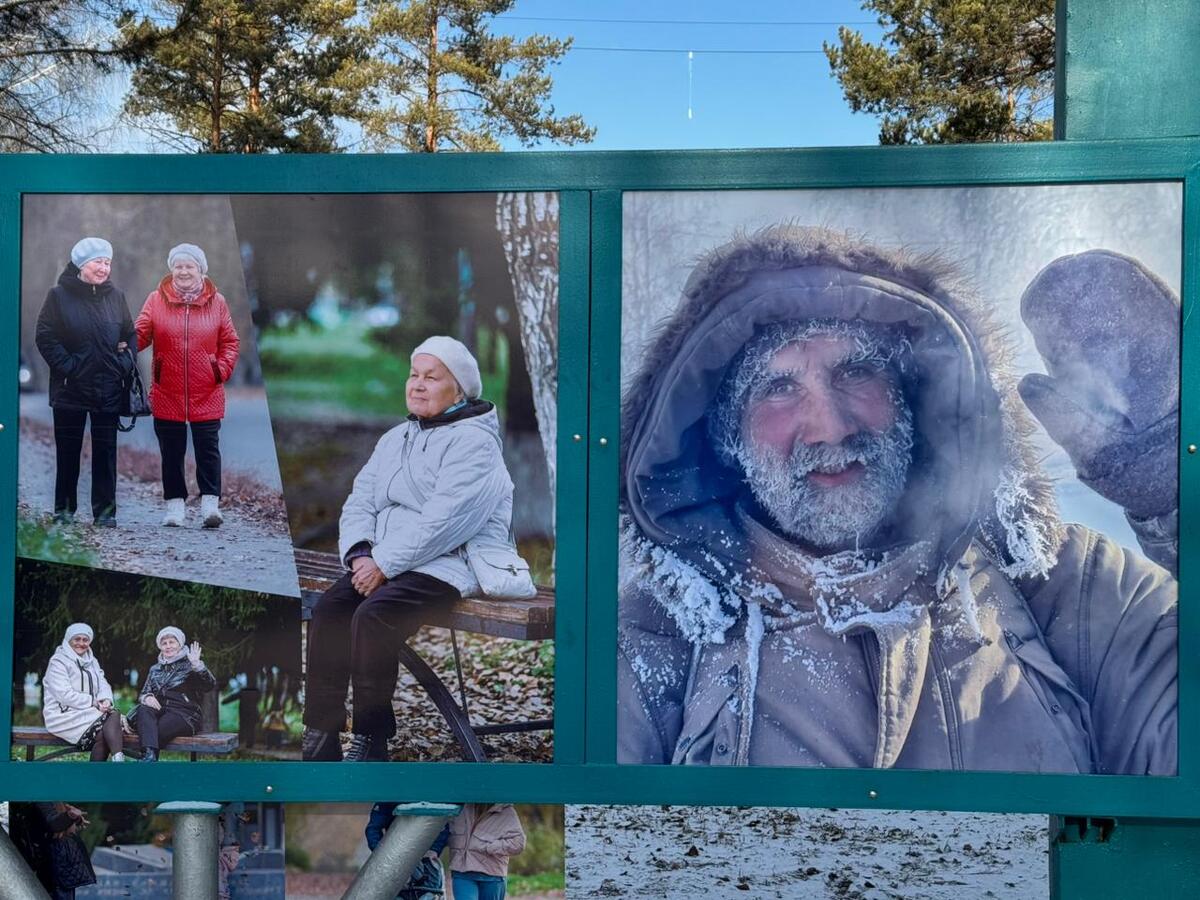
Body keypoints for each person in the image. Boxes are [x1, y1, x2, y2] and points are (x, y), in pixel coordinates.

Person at [617, 225, 1178, 774]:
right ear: (726, 435)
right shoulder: (650, 640)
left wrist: (1179, 493)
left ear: (910, 396)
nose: (831, 428)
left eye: (856, 371)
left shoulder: (1070, 590)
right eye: (779, 388)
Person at [303, 336, 523, 762]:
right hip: (389, 560)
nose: (418, 385)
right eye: (414, 375)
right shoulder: (395, 438)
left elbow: (444, 523)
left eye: (431, 377)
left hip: (449, 563)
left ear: (459, 391)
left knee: (374, 617)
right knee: (330, 610)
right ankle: (320, 734)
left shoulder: (474, 444)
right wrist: (361, 554)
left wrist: (383, 563)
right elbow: (360, 501)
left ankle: (371, 740)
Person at [135, 243, 240, 529]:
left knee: (208, 451)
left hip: (207, 391)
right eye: (178, 266)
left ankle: (210, 506)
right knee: (171, 452)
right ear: (171, 269)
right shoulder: (155, 299)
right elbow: (140, 335)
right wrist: (120, 340)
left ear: (200, 270)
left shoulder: (217, 301)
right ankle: (175, 507)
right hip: (167, 390)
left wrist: (219, 370)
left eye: (189, 266)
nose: (183, 271)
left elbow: (230, 342)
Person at [35, 237, 135, 527]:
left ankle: (105, 513)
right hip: (70, 388)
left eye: (107, 262)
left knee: (106, 453)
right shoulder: (58, 296)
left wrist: (123, 363)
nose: (104, 268)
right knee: (68, 452)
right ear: (81, 265)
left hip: (108, 387)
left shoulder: (116, 296)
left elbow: (130, 334)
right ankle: (64, 511)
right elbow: (45, 336)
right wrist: (69, 366)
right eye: (97, 262)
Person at [127, 626, 216, 762]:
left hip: (186, 714)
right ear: (160, 647)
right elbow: (144, 692)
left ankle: (147, 757)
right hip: (162, 711)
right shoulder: (155, 669)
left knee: (153, 731)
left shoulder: (190, 664)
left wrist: (198, 665)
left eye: (172, 642)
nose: (168, 646)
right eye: (164, 643)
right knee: (144, 709)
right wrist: (147, 697)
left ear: (180, 644)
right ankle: (149, 758)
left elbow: (209, 685)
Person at [41, 623, 125, 761]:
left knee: (107, 727)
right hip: (63, 716)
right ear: (69, 640)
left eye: (85, 640)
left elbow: (102, 683)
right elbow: (64, 695)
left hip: (87, 713)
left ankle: (115, 759)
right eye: (77, 639)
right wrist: (93, 702)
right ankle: (118, 759)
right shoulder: (58, 662)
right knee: (112, 717)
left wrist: (105, 699)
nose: (81, 643)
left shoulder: (92, 661)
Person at [9, 802, 97, 900]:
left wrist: (73, 818)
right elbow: (54, 823)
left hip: (60, 866)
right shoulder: (43, 799)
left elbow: (55, 822)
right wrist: (70, 816)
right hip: (54, 866)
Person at [365, 803, 449, 900]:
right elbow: (373, 829)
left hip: (424, 859)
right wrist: (384, 854)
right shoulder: (389, 800)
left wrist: (433, 850)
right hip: (396, 859)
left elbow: (442, 824)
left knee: (429, 893)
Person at [447, 804, 525, 900]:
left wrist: (489, 847)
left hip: (492, 874)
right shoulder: (460, 807)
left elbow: (518, 843)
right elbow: (443, 830)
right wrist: (433, 851)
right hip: (462, 871)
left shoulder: (506, 810)